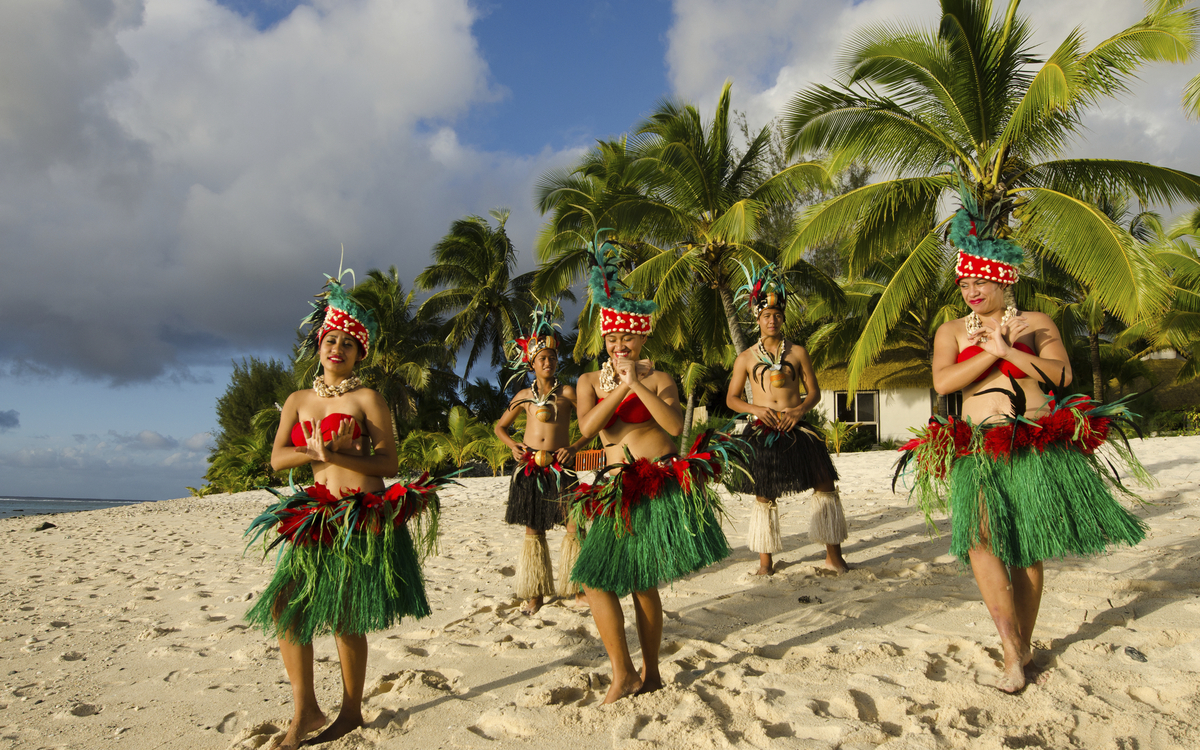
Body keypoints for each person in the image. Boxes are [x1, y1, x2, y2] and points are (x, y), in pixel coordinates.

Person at [898, 194, 1148, 693]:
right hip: (980, 445)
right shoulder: (950, 331)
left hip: (1034, 441)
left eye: (979, 280)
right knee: (980, 541)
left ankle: (1024, 646)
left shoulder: (1037, 324)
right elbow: (945, 383)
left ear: (1004, 279)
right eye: (964, 281)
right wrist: (989, 355)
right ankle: (1011, 646)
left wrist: (1010, 349)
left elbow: (1062, 375)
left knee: (1026, 549)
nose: (970, 289)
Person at [244, 268, 455, 749]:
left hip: (361, 514)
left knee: (345, 616)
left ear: (360, 352)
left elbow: (389, 461)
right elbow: (278, 459)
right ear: (318, 345)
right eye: (329, 339)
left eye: (347, 342)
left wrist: (334, 453)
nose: (336, 348)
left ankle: (351, 710)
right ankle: (306, 710)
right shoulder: (298, 400)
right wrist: (316, 454)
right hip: (316, 515)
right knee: (286, 609)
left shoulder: (367, 397)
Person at [569, 232, 742, 704]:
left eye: (627, 335)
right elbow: (586, 428)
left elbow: (674, 429)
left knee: (643, 582)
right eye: (611, 336)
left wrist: (638, 386)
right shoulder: (587, 380)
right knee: (594, 579)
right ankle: (621, 671)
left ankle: (651, 671)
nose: (618, 343)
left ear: (643, 334)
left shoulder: (661, 378)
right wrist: (619, 390)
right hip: (611, 487)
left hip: (654, 480)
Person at [726, 263, 848, 575]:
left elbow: (814, 392)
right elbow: (732, 398)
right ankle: (765, 564)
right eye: (766, 315)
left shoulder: (798, 352)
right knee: (765, 491)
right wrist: (756, 410)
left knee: (824, 482)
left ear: (783, 318)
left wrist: (799, 410)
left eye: (777, 315)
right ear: (757, 317)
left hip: (797, 426)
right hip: (762, 428)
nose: (772, 320)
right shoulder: (746, 358)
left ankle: (834, 557)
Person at [494, 302, 590, 615]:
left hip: (563, 465)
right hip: (530, 467)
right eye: (542, 358)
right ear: (532, 363)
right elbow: (499, 426)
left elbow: (590, 425)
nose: (548, 362)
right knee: (534, 529)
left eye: (552, 357)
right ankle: (535, 593)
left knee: (575, 524)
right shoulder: (521, 396)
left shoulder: (568, 393)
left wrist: (575, 447)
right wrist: (511, 445)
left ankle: (577, 588)